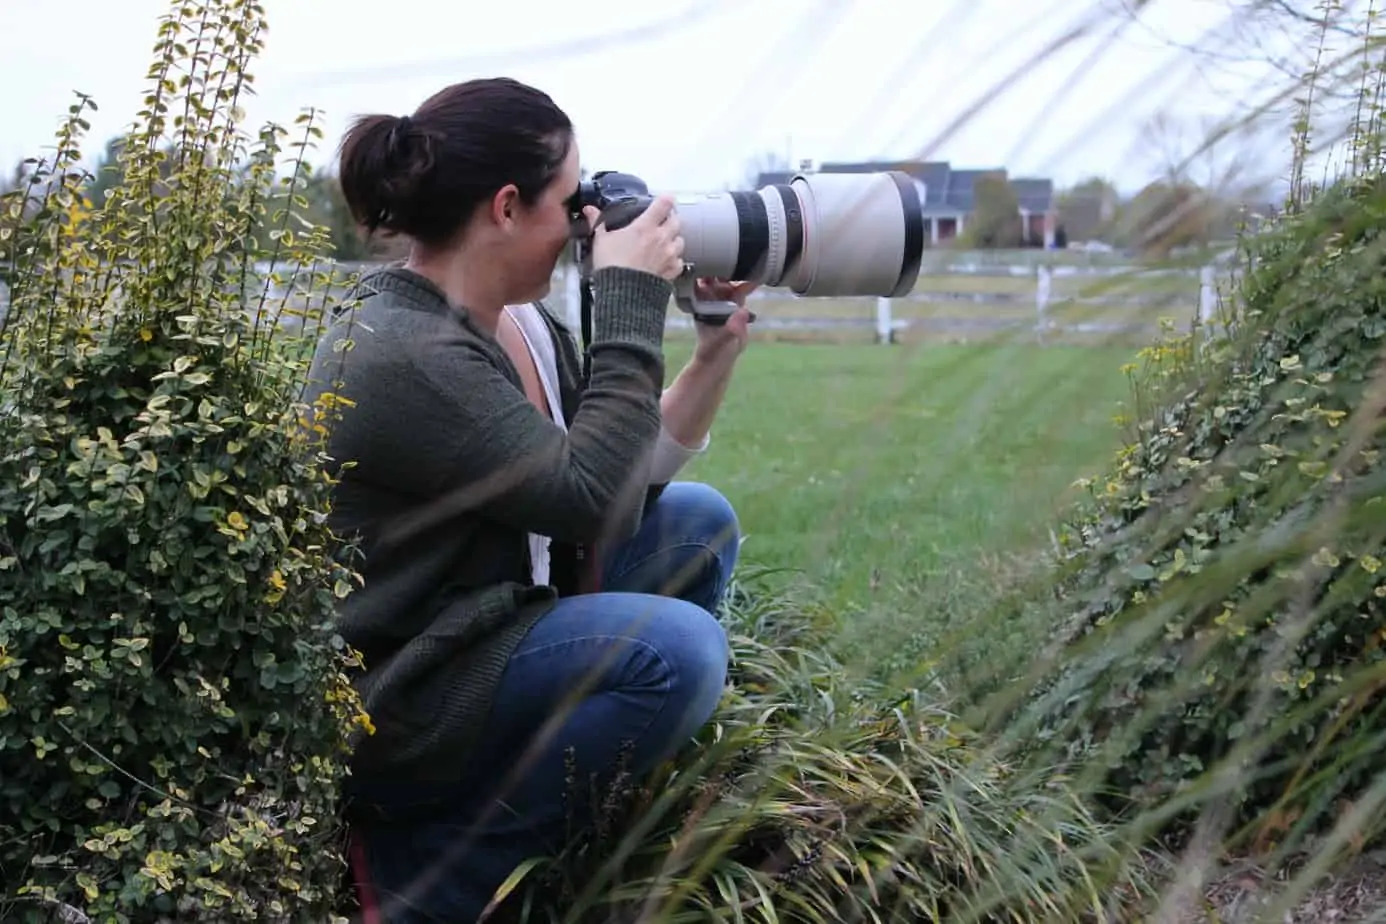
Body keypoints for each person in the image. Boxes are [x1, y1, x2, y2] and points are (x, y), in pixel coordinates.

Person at [301, 76, 757, 923]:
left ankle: (570, 815)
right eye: (571, 198)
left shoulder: (521, 323)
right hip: (415, 690)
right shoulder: (401, 353)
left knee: (696, 524)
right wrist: (626, 300)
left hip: (496, 616)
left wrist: (710, 351)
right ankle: (438, 871)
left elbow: (614, 477)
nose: (587, 220)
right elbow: (589, 503)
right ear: (507, 207)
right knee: (676, 654)